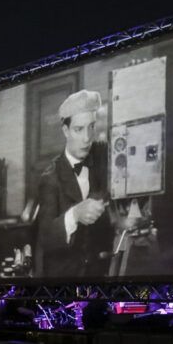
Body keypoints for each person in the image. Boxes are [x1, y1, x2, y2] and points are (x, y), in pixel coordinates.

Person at [35, 89, 115, 278]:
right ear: (65, 131)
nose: (87, 138)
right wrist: (75, 214)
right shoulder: (50, 177)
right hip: (64, 280)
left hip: (99, 275)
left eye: (91, 127)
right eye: (78, 129)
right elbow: (45, 237)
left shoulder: (101, 154)